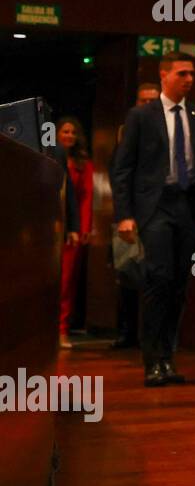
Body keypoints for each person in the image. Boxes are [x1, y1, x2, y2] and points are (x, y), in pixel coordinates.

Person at [110, 52, 195, 386]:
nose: (189, 79)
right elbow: (123, 167)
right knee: (159, 278)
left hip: (188, 205)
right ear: (164, 74)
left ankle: (168, 358)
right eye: (182, 73)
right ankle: (152, 360)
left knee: (181, 283)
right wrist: (124, 215)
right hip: (155, 206)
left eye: (192, 74)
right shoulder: (142, 115)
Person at [112, 82, 161, 351]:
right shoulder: (128, 129)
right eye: (143, 101)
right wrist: (124, 213)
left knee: (156, 277)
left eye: (152, 101)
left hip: (155, 213)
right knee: (128, 275)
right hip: (129, 214)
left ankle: (152, 338)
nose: (147, 106)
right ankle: (126, 333)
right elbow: (119, 171)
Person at [56, 117, 94, 342]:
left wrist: (83, 227)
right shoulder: (50, 156)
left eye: (73, 132)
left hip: (72, 226)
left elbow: (86, 197)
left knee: (67, 281)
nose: (69, 136)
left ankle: (62, 329)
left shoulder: (83, 163)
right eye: (65, 131)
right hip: (51, 225)